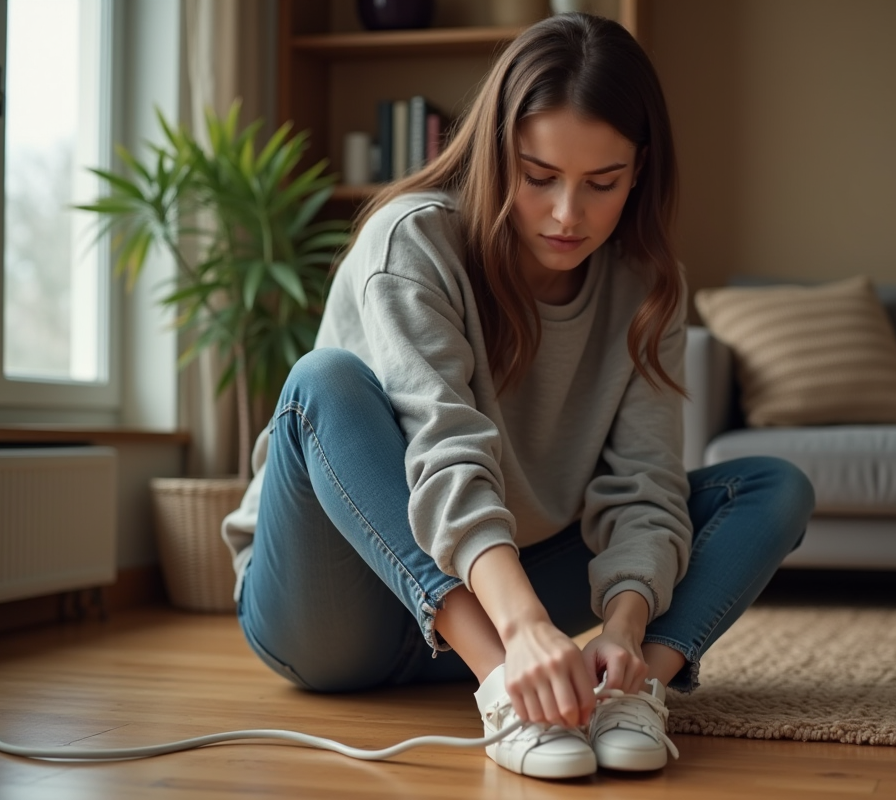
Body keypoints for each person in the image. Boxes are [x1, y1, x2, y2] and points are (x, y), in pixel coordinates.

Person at [222, 12, 814, 781]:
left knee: (771, 487)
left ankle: (628, 691)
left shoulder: (647, 289)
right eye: (539, 177)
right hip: (337, 612)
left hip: (512, 586)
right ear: (497, 154)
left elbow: (644, 487)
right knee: (321, 382)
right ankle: (504, 683)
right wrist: (526, 627)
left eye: (602, 183)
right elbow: (446, 450)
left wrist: (626, 628)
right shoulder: (416, 243)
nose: (569, 215)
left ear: (640, 171)